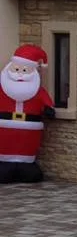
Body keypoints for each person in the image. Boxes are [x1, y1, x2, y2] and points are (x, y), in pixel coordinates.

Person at [0, 44, 55, 183]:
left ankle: (27, 166)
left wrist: (49, 109)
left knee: (27, 147)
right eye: (17, 69)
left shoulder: (37, 90)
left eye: (24, 70)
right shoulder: (2, 88)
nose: (19, 73)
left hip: (30, 129)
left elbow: (45, 100)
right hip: (4, 127)